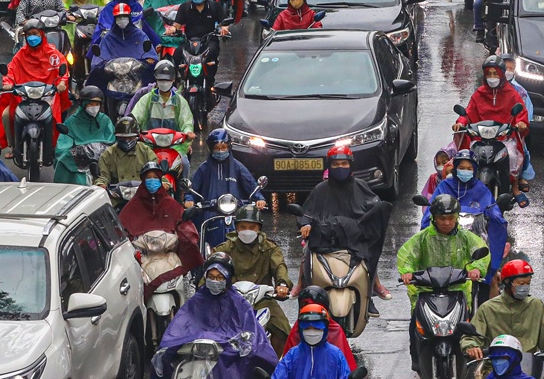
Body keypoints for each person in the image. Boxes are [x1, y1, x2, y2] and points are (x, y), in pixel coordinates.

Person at [398, 193, 491, 363]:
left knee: (469, 329)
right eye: (442, 218)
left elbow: (481, 252)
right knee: (415, 327)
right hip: (427, 291)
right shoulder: (422, 239)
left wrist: (476, 268)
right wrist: (407, 272)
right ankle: (417, 361)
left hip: (457, 291)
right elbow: (406, 256)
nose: (446, 222)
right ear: (434, 218)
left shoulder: (465, 237)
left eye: (450, 218)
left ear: (456, 218)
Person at [156, 255, 281, 379]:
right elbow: (180, 326)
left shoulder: (238, 303)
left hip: (226, 354)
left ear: (227, 278)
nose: (215, 281)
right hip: (196, 354)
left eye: (219, 277)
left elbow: (251, 334)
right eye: (211, 277)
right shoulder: (197, 300)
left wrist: (240, 344)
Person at [298, 145, 394, 306]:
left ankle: (371, 289)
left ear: (350, 165)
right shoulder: (320, 189)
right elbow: (308, 212)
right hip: (326, 237)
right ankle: (302, 285)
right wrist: (305, 224)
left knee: (370, 252)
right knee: (306, 251)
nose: (340, 167)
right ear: (329, 165)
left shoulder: (360, 186)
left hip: (354, 236)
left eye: (344, 163)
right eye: (335, 164)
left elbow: (373, 205)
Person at [421, 150, 509, 281]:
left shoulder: (481, 189)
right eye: (461, 168)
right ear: (455, 169)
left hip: (474, 237)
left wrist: (494, 216)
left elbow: (491, 207)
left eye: (469, 169)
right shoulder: (445, 186)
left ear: (475, 170)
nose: (465, 171)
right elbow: (432, 207)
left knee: (492, 279)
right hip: (445, 237)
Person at [210, 205, 293, 342]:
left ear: (259, 228)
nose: (247, 231)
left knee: (284, 330)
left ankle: (278, 356)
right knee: (208, 330)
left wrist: (282, 284)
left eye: (252, 227)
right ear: (236, 228)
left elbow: (280, 266)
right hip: (230, 300)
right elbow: (213, 268)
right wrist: (209, 285)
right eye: (243, 227)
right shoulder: (225, 249)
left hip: (263, 300)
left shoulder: (270, 248)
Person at [463, 263, 544, 362]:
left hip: (529, 366)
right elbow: (472, 336)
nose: (525, 287)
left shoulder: (536, 305)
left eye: (528, 283)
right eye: (521, 284)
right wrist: (472, 347)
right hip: (495, 366)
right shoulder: (488, 308)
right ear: (507, 282)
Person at [0, 16, 69, 144]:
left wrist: (62, 83)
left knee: (55, 119)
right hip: (24, 97)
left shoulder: (53, 54)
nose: (32, 37)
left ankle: (53, 144)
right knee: (7, 116)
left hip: (48, 96)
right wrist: (8, 83)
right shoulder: (20, 55)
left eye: (35, 34)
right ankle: (13, 146)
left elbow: (62, 71)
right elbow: (10, 71)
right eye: (29, 35)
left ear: (42, 34)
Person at [188, 129, 265, 248]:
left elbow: (251, 185)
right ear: (211, 149)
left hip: (235, 212)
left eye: (223, 147)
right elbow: (193, 187)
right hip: (210, 212)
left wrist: (259, 198)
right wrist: (189, 199)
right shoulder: (204, 168)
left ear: (229, 147)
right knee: (194, 242)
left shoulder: (238, 167)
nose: (220, 151)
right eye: (217, 148)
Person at [53, 86, 115, 184]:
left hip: (102, 158)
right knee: (63, 161)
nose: (94, 107)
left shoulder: (105, 120)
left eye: (97, 104)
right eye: (91, 104)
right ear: (83, 104)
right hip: (79, 160)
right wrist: (76, 152)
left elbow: (112, 140)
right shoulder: (72, 122)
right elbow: (62, 147)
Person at [274, 304, 351, 379]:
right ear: (300, 329)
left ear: (325, 329)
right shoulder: (292, 355)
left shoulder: (336, 355)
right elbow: (279, 375)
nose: (312, 332)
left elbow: (345, 376)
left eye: (317, 328)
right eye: (307, 328)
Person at [129, 58, 196, 137]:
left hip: (174, 142)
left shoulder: (180, 101)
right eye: (161, 80)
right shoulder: (146, 99)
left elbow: (186, 122)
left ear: (173, 79)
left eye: (167, 80)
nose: (164, 83)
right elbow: (135, 117)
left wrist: (188, 132)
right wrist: (130, 126)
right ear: (156, 79)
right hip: (148, 142)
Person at [95, 115, 155, 187]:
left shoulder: (145, 151)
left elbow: (156, 172)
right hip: (116, 192)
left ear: (136, 137)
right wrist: (101, 184)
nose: (127, 141)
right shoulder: (107, 155)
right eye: (123, 138)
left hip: (142, 191)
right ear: (117, 137)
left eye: (130, 138)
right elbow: (103, 177)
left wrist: (163, 182)